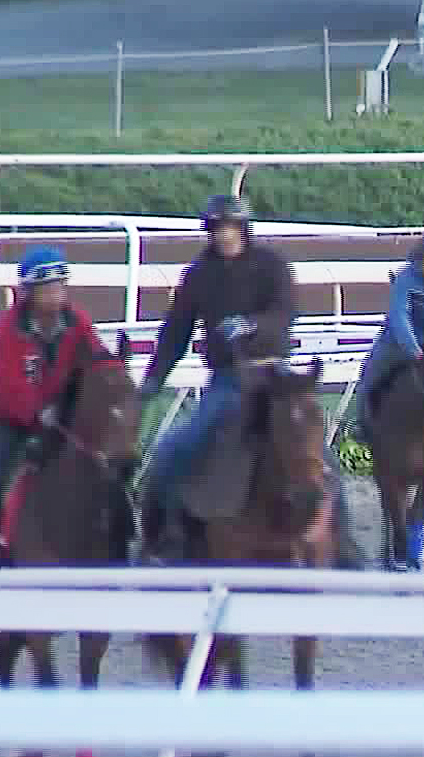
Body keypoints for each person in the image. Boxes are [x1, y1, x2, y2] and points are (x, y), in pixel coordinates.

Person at [136, 193, 363, 567]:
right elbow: (175, 331)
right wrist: (154, 378)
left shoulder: (272, 266)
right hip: (227, 378)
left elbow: (284, 312)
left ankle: (343, 539)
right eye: (218, 229)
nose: (225, 235)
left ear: (243, 229)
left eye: (231, 227)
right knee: (181, 444)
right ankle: (168, 535)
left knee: (316, 451)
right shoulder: (198, 275)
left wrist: (253, 326)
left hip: (273, 373)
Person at [0, 245, 110, 568]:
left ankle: (117, 526)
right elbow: (7, 382)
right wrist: (36, 413)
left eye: (60, 285)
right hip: (12, 418)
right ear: (29, 291)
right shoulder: (8, 328)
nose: (56, 293)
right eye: (48, 287)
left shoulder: (78, 321)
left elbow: (95, 359)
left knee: (107, 460)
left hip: (64, 415)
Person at [349, 233, 424, 443]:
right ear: (418, 263)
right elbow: (399, 317)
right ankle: (364, 423)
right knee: (370, 372)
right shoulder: (405, 279)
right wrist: (413, 348)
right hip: (397, 342)